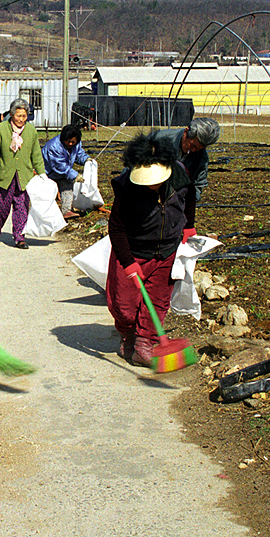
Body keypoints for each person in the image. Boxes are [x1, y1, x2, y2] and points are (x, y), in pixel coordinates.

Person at [106, 133, 197, 367]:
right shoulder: (127, 187)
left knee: (157, 301)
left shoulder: (179, 175)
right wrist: (128, 262)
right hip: (133, 250)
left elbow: (190, 199)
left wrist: (189, 226)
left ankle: (144, 343)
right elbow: (116, 226)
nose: (152, 183)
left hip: (166, 250)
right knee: (124, 305)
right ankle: (128, 333)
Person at [0, 98, 46, 249]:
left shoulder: (31, 131)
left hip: (23, 178)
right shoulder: (0, 129)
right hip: (3, 176)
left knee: (22, 208)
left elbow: (36, 154)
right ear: (12, 114)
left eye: (24, 116)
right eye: (18, 116)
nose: (21, 119)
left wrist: (42, 173)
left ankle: (19, 237)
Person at [149, 117, 220, 201]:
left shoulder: (201, 157)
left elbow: (198, 185)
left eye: (199, 148)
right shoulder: (156, 141)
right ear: (186, 132)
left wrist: (187, 199)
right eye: (192, 145)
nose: (194, 150)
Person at [42, 123, 90, 220]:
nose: (70, 144)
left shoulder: (76, 145)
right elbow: (59, 165)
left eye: (73, 142)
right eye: (68, 141)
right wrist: (75, 175)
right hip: (49, 172)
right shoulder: (54, 146)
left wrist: (86, 160)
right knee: (47, 195)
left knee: (67, 187)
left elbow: (78, 154)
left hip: (63, 173)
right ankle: (46, 215)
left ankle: (66, 211)